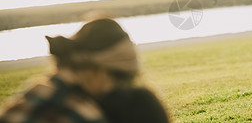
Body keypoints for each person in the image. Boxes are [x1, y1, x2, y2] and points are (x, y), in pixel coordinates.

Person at [0, 18, 170, 123]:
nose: (121, 89)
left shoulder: (38, 91)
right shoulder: (83, 115)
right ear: (99, 71)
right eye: (122, 79)